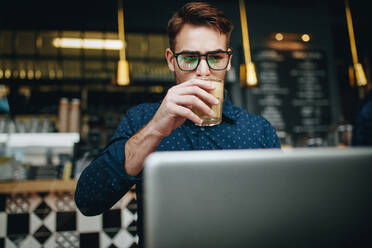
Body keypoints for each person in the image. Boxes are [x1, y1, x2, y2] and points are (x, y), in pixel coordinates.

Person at [75, 2, 280, 247]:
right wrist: (156, 128)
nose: (203, 71)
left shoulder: (258, 130)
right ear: (171, 61)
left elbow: (280, 216)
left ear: (228, 60)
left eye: (215, 57)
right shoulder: (141, 120)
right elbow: (88, 200)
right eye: (190, 58)